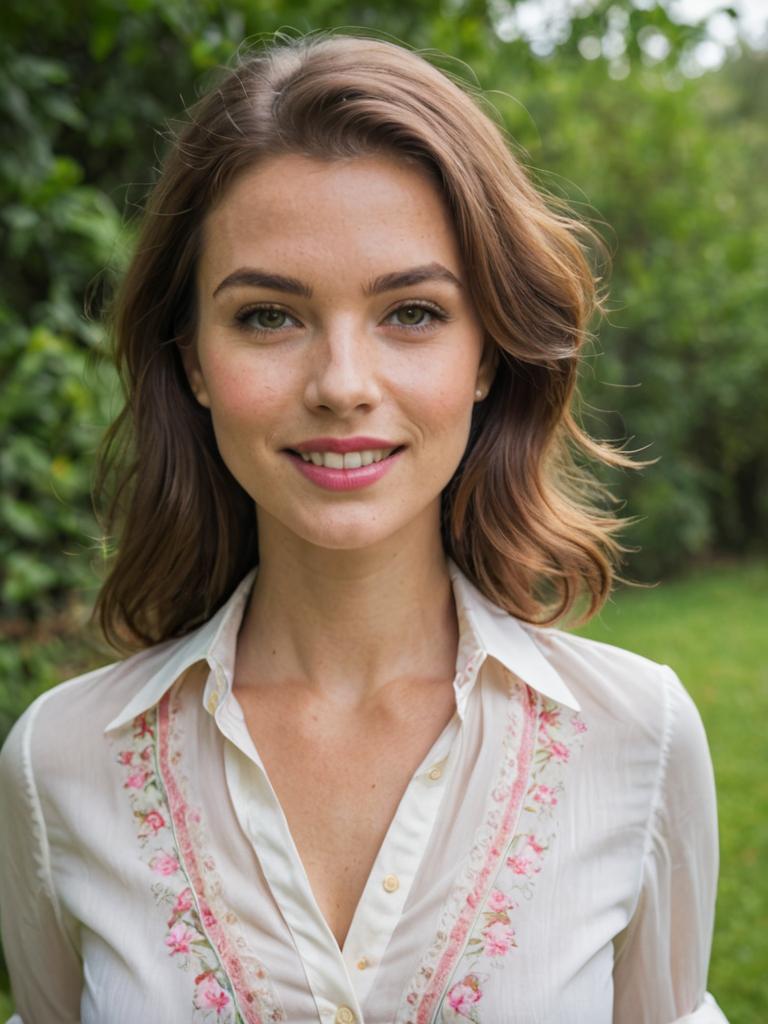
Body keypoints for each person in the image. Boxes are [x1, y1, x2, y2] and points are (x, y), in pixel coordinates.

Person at [0, 32, 727, 1024]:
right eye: (268, 316)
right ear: (194, 362)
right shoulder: (59, 765)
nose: (342, 384)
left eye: (413, 313)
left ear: (486, 355)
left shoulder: (636, 741)